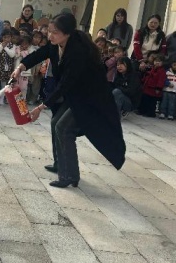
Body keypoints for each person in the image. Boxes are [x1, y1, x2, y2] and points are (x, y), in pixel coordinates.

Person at [11, 13, 126, 188]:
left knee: (63, 128)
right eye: (49, 31)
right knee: (55, 123)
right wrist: (21, 67)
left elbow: (65, 84)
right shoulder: (56, 45)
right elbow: (40, 54)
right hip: (75, 94)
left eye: (55, 32)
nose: (50, 36)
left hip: (90, 99)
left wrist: (41, 107)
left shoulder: (77, 51)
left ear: (67, 33)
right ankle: (60, 164)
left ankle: (69, 175)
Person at [0, 29, 16, 100]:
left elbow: (12, 55)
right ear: (2, 37)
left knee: (3, 84)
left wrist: (5, 47)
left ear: (11, 37)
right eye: (5, 37)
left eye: (8, 37)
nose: (6, 39)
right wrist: (2, 46)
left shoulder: (13, 46)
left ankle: (1, 99)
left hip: (6, 68)